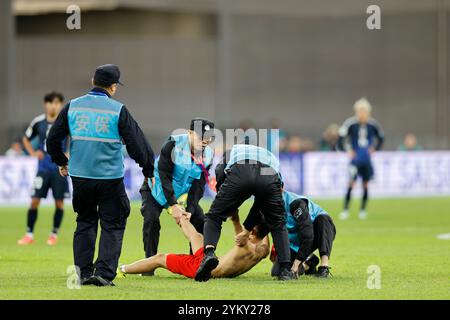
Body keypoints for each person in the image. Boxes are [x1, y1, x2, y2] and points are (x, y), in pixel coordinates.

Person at [46, 64, 155, 286]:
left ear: (92, 81)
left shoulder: (72, 107)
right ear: (113, 87)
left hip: (81, 178)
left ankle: (84, 274)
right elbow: (137, 144)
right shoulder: (118, 110)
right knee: (113, 223)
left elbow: (52, 140)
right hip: (110, 179)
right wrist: (148, 169)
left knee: (85, 221)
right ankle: (103, 274)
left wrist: (62, 161)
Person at [195, 144, 297, 282]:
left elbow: (220, 171)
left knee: (214, 216)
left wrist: (224, 199)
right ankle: (285, 270)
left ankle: (209, 253)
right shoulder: (270, 155)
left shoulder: (233, 150)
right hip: (269, 174)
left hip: (241, 170)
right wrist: (247, 229)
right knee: (278, 223)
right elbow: (264, 201)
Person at [139, 118, 214, 274]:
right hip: (156, 189)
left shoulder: (208, 154)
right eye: (201, 137)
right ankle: (148, 266)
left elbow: (198, 184)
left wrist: (191, 208)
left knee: (200, 219)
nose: (205, 141)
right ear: (190, 133)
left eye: (209, 137)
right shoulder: (172, 146)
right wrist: (173, 205)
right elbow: (164, 176)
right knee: (151, 219)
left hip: (181, 194)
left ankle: (196, 261)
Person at [119, 210, 270, 279]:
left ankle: (121, 269)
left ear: (251, 232)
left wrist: (235, 218)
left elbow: (240, 234)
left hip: (203, 269)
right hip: (210, 261)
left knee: (160, 258)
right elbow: (264, 232)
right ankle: (180, 215)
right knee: (197, 236)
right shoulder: (263, 251)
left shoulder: (246, 245)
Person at [17, 92, 69, 246]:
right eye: (51, 102)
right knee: (34, 201)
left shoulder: (65, 121)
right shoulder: (38, 122)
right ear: (45, 104)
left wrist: (69, 152)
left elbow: (75, 138)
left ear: (61, 104)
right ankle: (29, 234)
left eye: (57, 102)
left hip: (60, 168)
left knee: (59, 203)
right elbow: (26, 138)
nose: (54, 105)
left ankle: (53, 234)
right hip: (43, 169)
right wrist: (33, 153)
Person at [270, 190, 336, 278]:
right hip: (295, 240)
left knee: (323, 220)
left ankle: (324, 266)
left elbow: (308, 236)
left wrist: (294, 267)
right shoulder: (267, 205)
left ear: (281, 188)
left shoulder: (296, 204)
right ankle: (309, 263)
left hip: (316, 231)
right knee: (277, 272)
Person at [337, 98, 384, 220]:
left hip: (366, 160)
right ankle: (345, 210)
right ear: (356, 111)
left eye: (364, 111)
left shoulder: (373, 124)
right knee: (351, 184)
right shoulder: (351, 123)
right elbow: (341, 137)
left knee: (366, 184)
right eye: (359, 111)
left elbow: (381, 137)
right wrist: (348, 150)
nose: (361, 113)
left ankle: (363, 210)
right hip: (355, 160)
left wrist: (375, 148)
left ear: (368, 112)